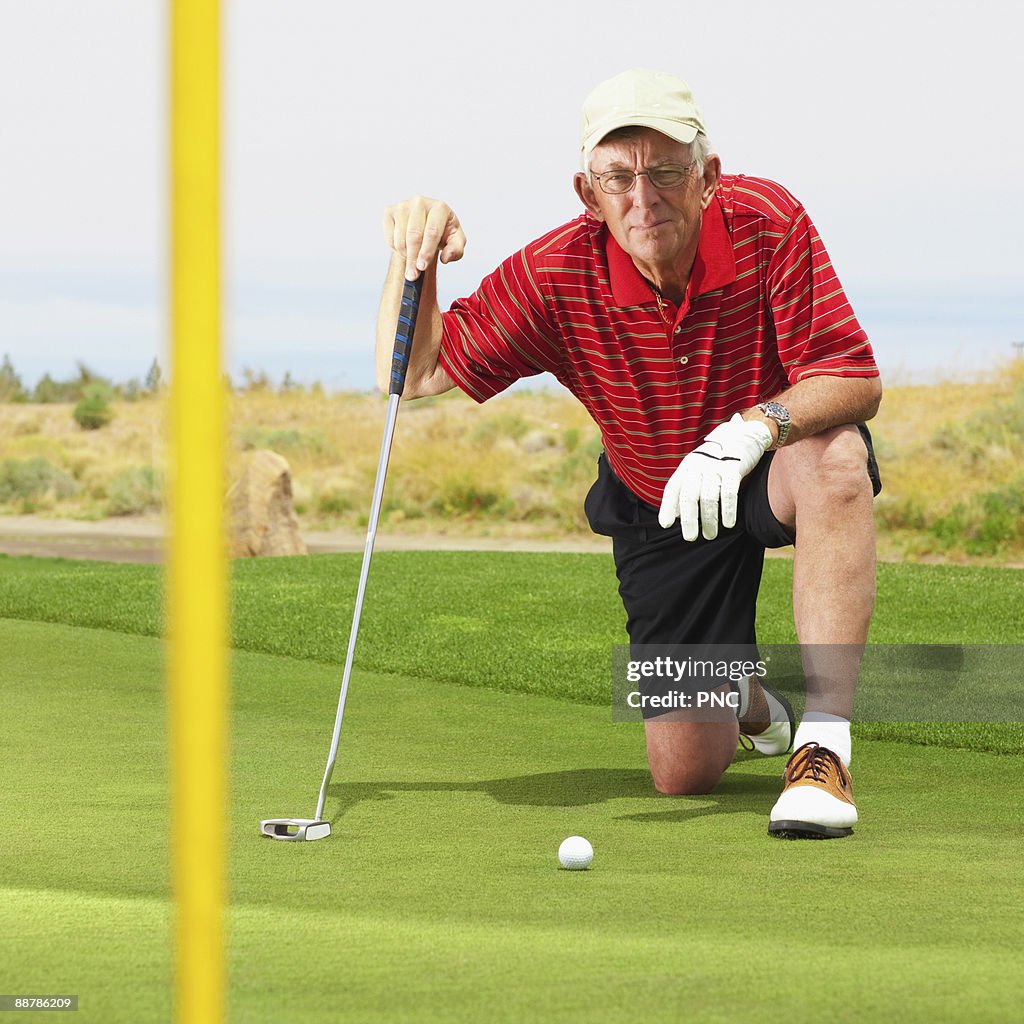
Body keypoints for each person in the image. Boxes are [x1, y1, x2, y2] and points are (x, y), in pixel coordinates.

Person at [375, 68, 882, 839]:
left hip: (762, 464)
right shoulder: (554, 273)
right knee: (683, 773)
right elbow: (414, 373)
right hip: (657, 500)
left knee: (836, 460)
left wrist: (750, 430)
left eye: (667, 172)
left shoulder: (768, 221)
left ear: (707, 176)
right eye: (618, 177)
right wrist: (411, 259)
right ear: (589, 192)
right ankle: (748, 698)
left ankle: (822, 749)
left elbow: (850, 375)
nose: (643, 198)